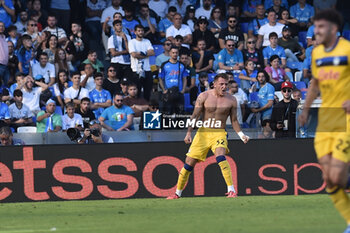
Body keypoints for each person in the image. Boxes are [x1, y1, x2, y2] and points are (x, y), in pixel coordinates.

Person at [298, 10, 350, 233]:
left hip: (345, 121)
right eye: (315, 27)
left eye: (320, 27)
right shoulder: (317, 52)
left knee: (338, 175)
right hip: (325, 123)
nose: (315, 31)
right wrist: (306, 109)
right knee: (329, 181)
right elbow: (315, 83)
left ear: (334, 29)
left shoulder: (347, 49)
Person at [167, 73, 250, 199]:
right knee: (189, 163)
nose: (224, 87)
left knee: (220, 155)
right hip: (203, 133)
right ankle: (177, 193)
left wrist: (241, 135)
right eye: (221, 84)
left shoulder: (232, 100)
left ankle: (231, 190)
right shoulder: (204, 96)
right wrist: (189, 132)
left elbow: (234, 120)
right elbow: (194, 116)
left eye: (226, 84)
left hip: (219, 132)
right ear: (214, 84)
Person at [158, 46, 188, 114]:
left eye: (176, 53)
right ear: (170, 53)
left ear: (178, 54)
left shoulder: (182, 65)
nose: (175, 54)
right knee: (167, 114)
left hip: (179, 92)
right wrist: (164, 90)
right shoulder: (164, 65)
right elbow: (160, 78)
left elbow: (185, 78)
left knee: (180, 114)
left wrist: (183, 90)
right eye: (173, 52)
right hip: (168, 93)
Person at [128, 24, 155, 101]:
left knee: (147, 91)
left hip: (147, 69)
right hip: (136, 70)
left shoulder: (147, 41)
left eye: (142, 30)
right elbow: (134, 55)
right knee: (137, 92)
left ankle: (146, 107)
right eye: (139, 31)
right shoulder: (132, 42)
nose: (141, 32)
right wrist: (146, 54)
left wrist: (141, 53)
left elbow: (152, 52)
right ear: (135, 32)